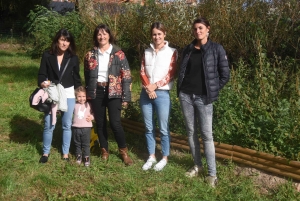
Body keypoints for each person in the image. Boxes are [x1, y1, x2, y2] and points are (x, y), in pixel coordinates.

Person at [177, 17, 230, 187]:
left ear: (208, 29)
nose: (197, 31)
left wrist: (212, 89)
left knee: (207, 135)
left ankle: (212, 174)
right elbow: (183, 70)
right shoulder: (189, 49)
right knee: (191, 132)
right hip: (186, 95)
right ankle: (197, 166)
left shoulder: (216, 49)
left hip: (204, 98)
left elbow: (225, 74)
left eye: (201, 28)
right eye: (195, 29)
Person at [84, 24, 133, 166]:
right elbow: (87, 75)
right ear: (96, 37)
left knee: (115, 123)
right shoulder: (90, 54)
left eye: (104, 33)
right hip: (97, 91)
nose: (102, 36)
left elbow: (127, 76)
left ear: (109, 35)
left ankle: (123, 152)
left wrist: (126, 97)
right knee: (100, 123)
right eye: (99, 34)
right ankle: (104, 150)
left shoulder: (119, 54)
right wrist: (88, 94)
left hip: (114, 91)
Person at [38, 28, 82, 163]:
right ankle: (45, 153)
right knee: (49, 124)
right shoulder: (47, 55)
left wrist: (80, 95)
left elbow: (77, 78)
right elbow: (41, 74)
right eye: (62, 39)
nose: (64, 43)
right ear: (57, 40)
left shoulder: (73, 58)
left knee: (66, 124)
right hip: (53, 94)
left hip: (68, 94)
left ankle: (65, 153)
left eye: (67, 41)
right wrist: (42, 83)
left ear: (70, 43)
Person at [140, 22, 178, 171]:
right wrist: (149, 88)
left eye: (159, 34)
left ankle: (164, 157)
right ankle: (151, 156)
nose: (157, 37)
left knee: (163, 128)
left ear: (164, 34)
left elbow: (171, 73)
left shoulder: (172, 52)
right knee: (148, 127)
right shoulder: (146, 51)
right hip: (146, 93)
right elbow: (142, 71)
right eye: (154, 34)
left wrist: (154, 86)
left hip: (162, 93)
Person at [72, 86, 94, 167]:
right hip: (76, 128)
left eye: (84, 96)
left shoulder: (88, 104)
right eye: (79, 96)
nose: (82, 98)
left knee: (86, 144)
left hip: (86, 128)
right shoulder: (74, 104)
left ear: (86, 96)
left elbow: (93, 113)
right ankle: (78, 156)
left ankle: (86, 158)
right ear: (76, 97)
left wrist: (92, 117)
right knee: (77, 144)